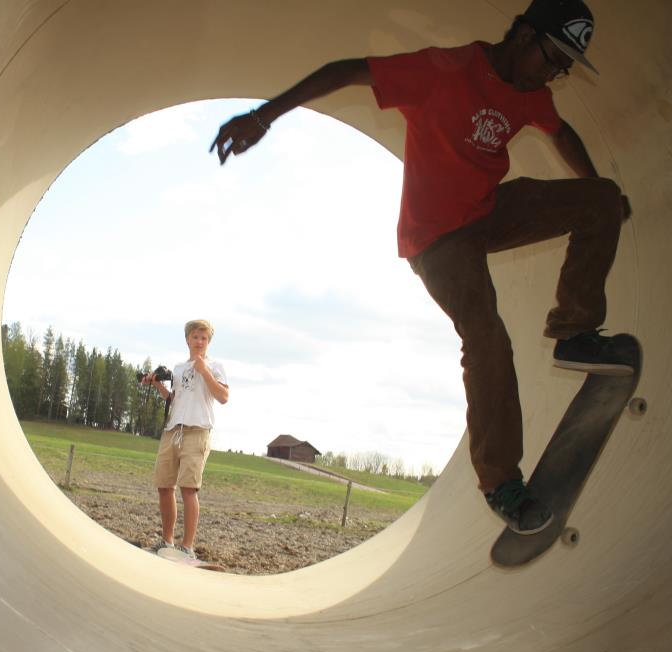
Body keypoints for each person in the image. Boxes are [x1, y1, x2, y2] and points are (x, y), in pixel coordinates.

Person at [210, 0, 632, 536]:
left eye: (564, 68)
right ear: (525, 35)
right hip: (436, 239)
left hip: (488, 212)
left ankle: (575, 332)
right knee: (486, 334)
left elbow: (562, 133)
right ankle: (502, 483)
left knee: (601, 198)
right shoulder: (443, 70)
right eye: (553, 59)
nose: (554, 74)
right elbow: (347, 70)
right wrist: (263, 115)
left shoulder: (532, 94)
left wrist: (600, 189)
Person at [142, 319, 229, 557]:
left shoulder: (215, 365)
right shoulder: (179, 368)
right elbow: (174, 399)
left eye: (204, 338)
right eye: (195, 337)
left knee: (188, 489)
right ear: (187, 339)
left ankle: (187, 547)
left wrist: (205, 372)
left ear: (208, 342)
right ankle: (167, 541)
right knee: (164, 486)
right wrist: (157, 383)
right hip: (173, 430)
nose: (199, 342)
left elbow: (223, 396)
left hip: (197, 430)